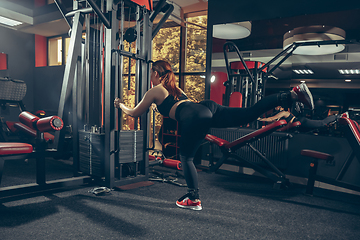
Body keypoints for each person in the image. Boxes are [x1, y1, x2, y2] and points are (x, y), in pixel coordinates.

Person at [114, 60, 314, 211]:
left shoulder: (155, 90)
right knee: (249, 112)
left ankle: (193, 198)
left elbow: (134, 112)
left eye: (152, 74)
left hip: (195, 115)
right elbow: (188, 107)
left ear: (157, 74)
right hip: (207, 108)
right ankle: (291, 95)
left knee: (186, 158)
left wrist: (120, 104)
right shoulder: (176, 89)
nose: (151, 78)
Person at [258, 104, 348, 132]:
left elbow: (271, 118)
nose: (275, 108)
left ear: (280, 107)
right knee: (318, 126)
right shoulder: (282, 113)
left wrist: (259, 119)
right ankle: (336, 118)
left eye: (276, 107)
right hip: (299, 125)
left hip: (301, 122)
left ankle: (339, 116)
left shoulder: (283, 112)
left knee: (321, 123)